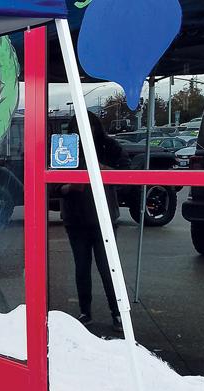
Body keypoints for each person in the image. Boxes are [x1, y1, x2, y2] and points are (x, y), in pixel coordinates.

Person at [59, 111, 127, 333]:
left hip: (104, 216)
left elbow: (129, 172)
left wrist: (108, 171)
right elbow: (52, 184)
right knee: (82, 267)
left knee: (108, 268)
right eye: (78, 128)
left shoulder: (108, 147)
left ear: (96, 128)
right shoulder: (66, 147)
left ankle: (118, 313)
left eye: (89, 127)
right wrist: (69, 187)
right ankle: (85, 311)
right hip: (76, 217)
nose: (84, 132)